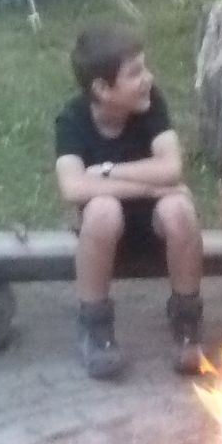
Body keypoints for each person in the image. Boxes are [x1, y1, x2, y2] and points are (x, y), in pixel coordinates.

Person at [54, 24, 209, 379]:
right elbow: (73, 188)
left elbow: (171, 168)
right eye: (135, 73)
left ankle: (187, 319)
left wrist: (107, 171)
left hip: (156, 226)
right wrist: (150, 188)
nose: (148, 78)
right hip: (104, 235)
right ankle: (95, 325)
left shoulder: (150, 104)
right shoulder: (73, 119)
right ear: (102, 88)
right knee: (103, 209)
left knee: (179, 209)